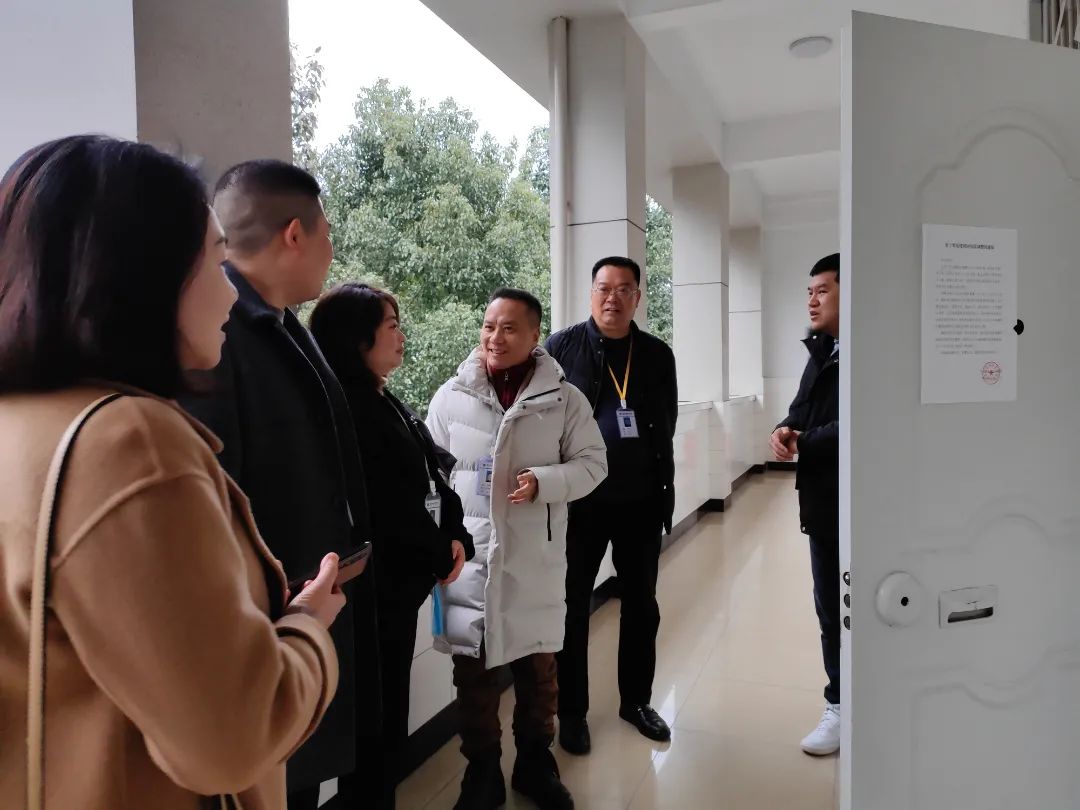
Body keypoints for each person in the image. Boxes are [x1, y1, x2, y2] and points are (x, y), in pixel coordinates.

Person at [0, 135, 344, 809]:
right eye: (215, 260)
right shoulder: (128, 443)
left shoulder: (22, 422)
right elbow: (232, 738)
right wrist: (306, 625)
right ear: (146, 273)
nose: (229, 295)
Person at [179, 160, 377, 809]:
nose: (331, 249)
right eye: (328, 233)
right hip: (269, 631)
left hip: (309, 611)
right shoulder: (218, 335)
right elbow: (212, 505)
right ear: (296, 233)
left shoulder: (285, 325)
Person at [426, 289, 607, 810]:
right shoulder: (451, 397)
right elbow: (430, 475)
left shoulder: (564, 400)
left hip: (534, 557)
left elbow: (594, 464)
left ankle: (534, 766)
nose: (495, 337)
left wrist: (545, 481)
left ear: (534, 335)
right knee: (473, 675)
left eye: (509, 328)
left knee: (538, 673)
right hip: (472, 560)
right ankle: (481, 772)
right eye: (489, 326)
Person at [309, 282, 475, 808]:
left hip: (401, 587)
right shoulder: (349, 410)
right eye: (392, 326)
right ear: (358, 339)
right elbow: (387, 508)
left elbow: (429, 474)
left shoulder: (382, 397)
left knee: (384, 724)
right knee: (374, 730)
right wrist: (440, 548)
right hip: (374, 596)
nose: (402, 336)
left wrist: (455, 532)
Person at [546, 256, 678, 754]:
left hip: (641, 501)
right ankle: (571, 713)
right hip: (580, 504)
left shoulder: (657, 354)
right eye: (604, 287)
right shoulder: (561, 348)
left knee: (642, 605)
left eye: (624, 289)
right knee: (572, 606)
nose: (612, 298)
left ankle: (635, 702)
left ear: (637, 298)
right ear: (591, 293)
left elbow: (665, 422)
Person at [769, 252, 841, 756]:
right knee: (830, 607)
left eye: (823, 291)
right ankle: (839, 703)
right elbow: (800, 411)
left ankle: (861, 698)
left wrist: (805, 441)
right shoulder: (821, 350)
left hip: (856, 497)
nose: (812, 301)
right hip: (821, 500)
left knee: (855, 606)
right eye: (809, 293)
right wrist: (783, 429)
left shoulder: (872, 350)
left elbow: (863, 420)